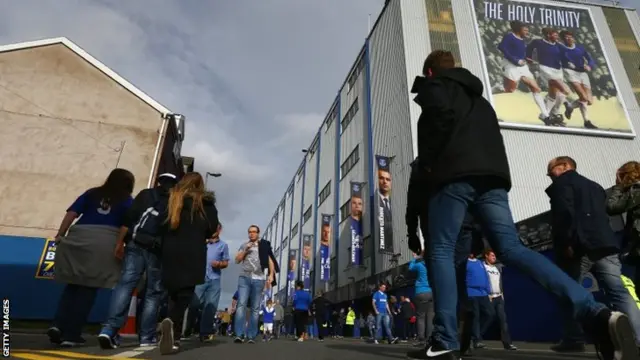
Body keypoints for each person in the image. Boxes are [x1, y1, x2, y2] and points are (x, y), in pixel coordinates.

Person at [405, 49, 635, 360]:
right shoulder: (480, 100)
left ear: (430, 73)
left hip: (454, 177)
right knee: (512, 249)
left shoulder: (436, 88)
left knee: (441, 251)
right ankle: (595, 313)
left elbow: (438, 128)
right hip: (494, 178)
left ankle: (444, 338)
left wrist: (430, 165)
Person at [547, 157, 640, 352]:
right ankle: (637, 337)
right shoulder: (595, 186)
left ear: (564, 167)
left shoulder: (562, 184)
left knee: (569, 291)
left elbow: (564, 216)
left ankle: (574, 338)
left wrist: (566, 243)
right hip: (605, 244)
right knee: (619, 292)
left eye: (551, 171)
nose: (550, 176)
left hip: (580, 245)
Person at [48, 168, 135, 348]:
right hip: (105, 241)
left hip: (79, 236)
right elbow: (127, 225)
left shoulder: (92, 193)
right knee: (88, 288)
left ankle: (57, 325)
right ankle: (72, 334)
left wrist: (60, 234)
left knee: (72, 284)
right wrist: (121, 245)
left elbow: (71, 214)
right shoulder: (127, 200)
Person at [98, 173, 177, 349]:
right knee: (153, 293)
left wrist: (119, 242)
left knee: (125, 284)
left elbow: (129, 218)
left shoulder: (146, 194)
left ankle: (109, 330)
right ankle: (146, 337)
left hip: (135, 242)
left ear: (159, 181)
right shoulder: (175, 203)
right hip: (157, 250)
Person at [157, 172, 219, 355]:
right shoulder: (205, 203)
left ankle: (169, 325)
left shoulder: (172, 197)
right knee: (185, 294)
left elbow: (161, 223)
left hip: (170, 249)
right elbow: (211, 228)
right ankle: (173, 333)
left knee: (173, 292)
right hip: (193, 250)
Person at [185, 223, 230, 342]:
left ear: (219, 230)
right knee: (194, 304)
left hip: (214, 279)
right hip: (200, 278)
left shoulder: (223, 246)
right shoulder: (202, 243)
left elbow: (226, 262)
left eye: (215, 229)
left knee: (210, 306)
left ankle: (205, 332)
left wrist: (219, 264)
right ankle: (188, 329)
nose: (212, 231)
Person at [233, 226, 278, 343]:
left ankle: (251, 335)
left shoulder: (264, 245)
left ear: (258, 233)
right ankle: (239, 334)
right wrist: (245, 250)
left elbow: (270, 261)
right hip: (245, 277)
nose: (251, 234)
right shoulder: (244, 245)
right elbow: (237, 260)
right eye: (250, 232)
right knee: (241, 304)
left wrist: (271, 275)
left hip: (259, 278)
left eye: (254, 232)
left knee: (255, 307)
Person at [481, 250, 517, 351]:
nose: (494, 257)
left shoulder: (498, 267)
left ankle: (507, 344)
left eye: (495, 255)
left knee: (503, 321)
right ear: (486, 256)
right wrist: (486, 294)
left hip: (499, 297)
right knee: (487, 318)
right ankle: (475, 338)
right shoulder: (483, 267)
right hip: (489, 297)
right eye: (492, 255)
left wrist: (502, 293)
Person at [409, 250, 433, 347]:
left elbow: (410, 268)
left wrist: (414, 258)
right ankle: (430, 338)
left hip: (421, 292)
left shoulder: (419, 265)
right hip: (431, 292)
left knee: (421, 316)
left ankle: (421, 339)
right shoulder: (432, 265)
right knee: (430, 317)